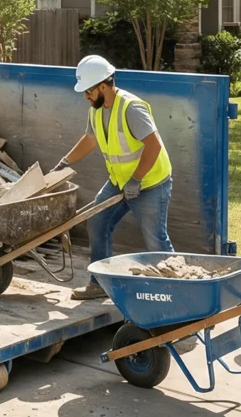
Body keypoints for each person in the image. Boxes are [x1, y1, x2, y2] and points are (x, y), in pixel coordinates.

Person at [54, 55, 173, 301]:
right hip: (119, 183)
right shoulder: (96, 110)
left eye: (88, 91)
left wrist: (137, 179)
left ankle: (174, 292)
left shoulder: (132, 108)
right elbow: (90, 139)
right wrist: (65, 162)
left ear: (103, 86)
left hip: (150, 184)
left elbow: (154, 146)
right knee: (97, 223)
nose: (85, 96)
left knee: (155, 239)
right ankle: (99, 284)